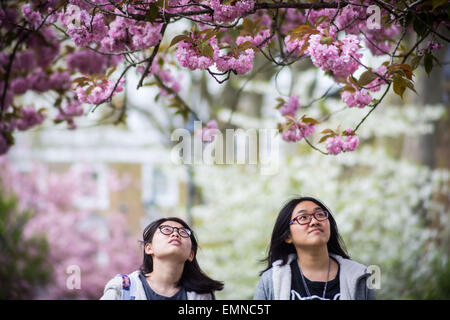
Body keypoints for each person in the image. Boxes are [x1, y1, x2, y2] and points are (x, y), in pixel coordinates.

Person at [253, 196, 376, 300]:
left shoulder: (360, 276)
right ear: (288, 236)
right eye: (303, 217)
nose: (314, 221)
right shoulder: (271, 280)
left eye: (320, 214)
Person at [100, 217, 223, 300]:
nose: (175, 234)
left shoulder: (202, 295)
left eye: (183, 232)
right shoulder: (122, 289)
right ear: (149, 248)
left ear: (191, 254)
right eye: (166, 230)